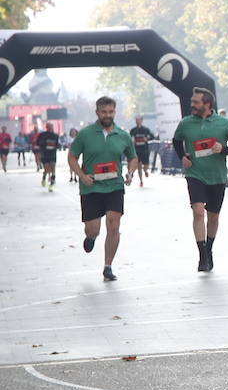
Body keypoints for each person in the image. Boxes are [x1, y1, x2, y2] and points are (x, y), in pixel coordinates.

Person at [172, 87, 228, 272]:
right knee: (198, 212)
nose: (192, 105)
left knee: (213, 217)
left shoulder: (223, 123)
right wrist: (183, 156)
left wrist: (224, 150)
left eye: (196, 102)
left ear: (207, 104)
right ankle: (202, 255)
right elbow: (176, 140)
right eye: (192, 102)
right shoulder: (186, 123)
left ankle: (209, 249)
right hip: (195, 174)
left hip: (217, 176)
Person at [67, 97, 136, 281]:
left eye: (111, 112)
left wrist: (130, 173)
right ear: (97, 112)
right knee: (93, 229)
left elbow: (132, 157)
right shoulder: (85, 134)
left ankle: (108, 266)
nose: (107, 115)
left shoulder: (123, 135)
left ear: (115, 112)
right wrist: (82, 176)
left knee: (114, 226)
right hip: (91, 187)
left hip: (114, 185)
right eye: (104, 112)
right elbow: (72, 157)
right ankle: (91, 237)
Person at [128, 116, 156, 186]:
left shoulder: (146, 130)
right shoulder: (133, 130)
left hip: (145, 150)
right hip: (137, 150)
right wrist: (132, 141)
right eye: (136, 120)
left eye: (139, 120)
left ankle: (145, 170)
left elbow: (153, 136)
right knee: (139, 166)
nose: (138, 121)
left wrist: (147, 139)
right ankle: (141, 181)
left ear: (142, 121)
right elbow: (128, 138)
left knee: (145, 165)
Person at [35, 122, 61, 190]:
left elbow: (57, 144)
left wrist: (58, 146)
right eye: (49, 127)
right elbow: (38, 142)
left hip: (52, 154)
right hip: (45, 154)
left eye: (51, 127)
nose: (50, 128)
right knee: (46, 169)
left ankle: (51, 184)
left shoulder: (55, 135)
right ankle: (44, 178)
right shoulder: (42, 135)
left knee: (53, 169)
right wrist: (44, 143)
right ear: (46, 127)